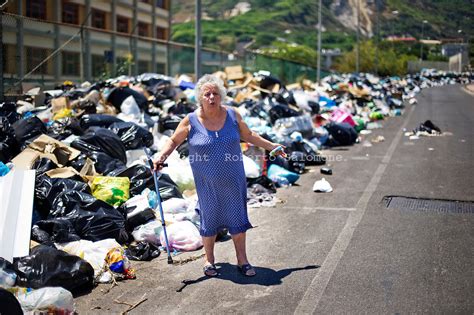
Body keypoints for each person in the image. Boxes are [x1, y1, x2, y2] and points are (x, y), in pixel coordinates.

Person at [154, 74, 286, 277]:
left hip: (233, 179)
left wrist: (273, 146)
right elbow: (173, 141)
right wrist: (161, 157)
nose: (211, 97)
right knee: (210, 218)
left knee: (237, 218)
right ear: (200, 97)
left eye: (215, 93)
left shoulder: (233, 116)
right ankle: (209, 260)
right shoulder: (190, 120)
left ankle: (242, 260)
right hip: (206, 182)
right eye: (207, 94)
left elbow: (249, 136)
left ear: (221, 96)